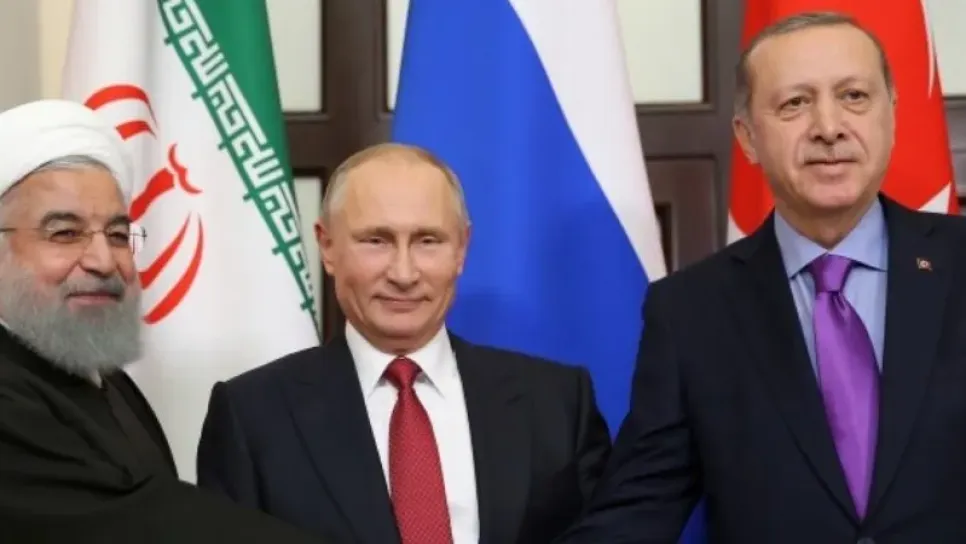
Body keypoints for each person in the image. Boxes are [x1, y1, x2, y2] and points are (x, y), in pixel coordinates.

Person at [556, 11, 966, 544]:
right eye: (795, 103)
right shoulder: (691, 312)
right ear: (747, 137)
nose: (829, 127)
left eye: (854, 97)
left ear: (892, 114)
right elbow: (635, 514)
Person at [195, 142, 612, 544]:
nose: (404, 273)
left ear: (461, 249)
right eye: (376, 241)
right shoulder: (252, 416)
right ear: (327, 247)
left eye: (428, 241)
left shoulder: (558, 402)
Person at [0, 99, 326, 543]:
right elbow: (144, 527)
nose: (104, 261)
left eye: (118, 235)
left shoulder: (107, 380)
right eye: (65, 233)